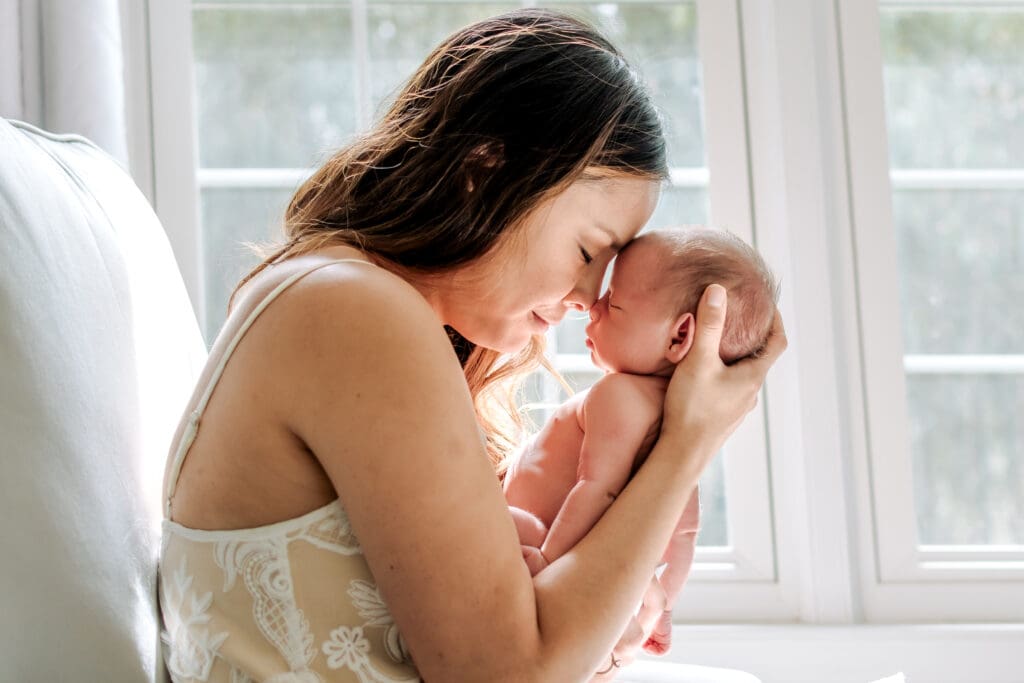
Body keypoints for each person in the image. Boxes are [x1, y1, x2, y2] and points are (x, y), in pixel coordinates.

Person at [159, 9, 786, 683]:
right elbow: (506, 673)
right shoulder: (353, 311)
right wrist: (687, 441)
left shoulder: (362, 307)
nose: (585, 298)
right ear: (483, 173)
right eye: (585, 250)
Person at [503, 227, 779, 657]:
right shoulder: (680, 429)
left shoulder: (619, 395)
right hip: (608, 576)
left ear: (680, 336)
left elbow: (596, 489)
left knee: (496, 523)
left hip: (535, 537)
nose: (592, 307)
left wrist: (548, 561)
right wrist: (661, 598)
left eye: (613, 302)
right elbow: (684, 532)